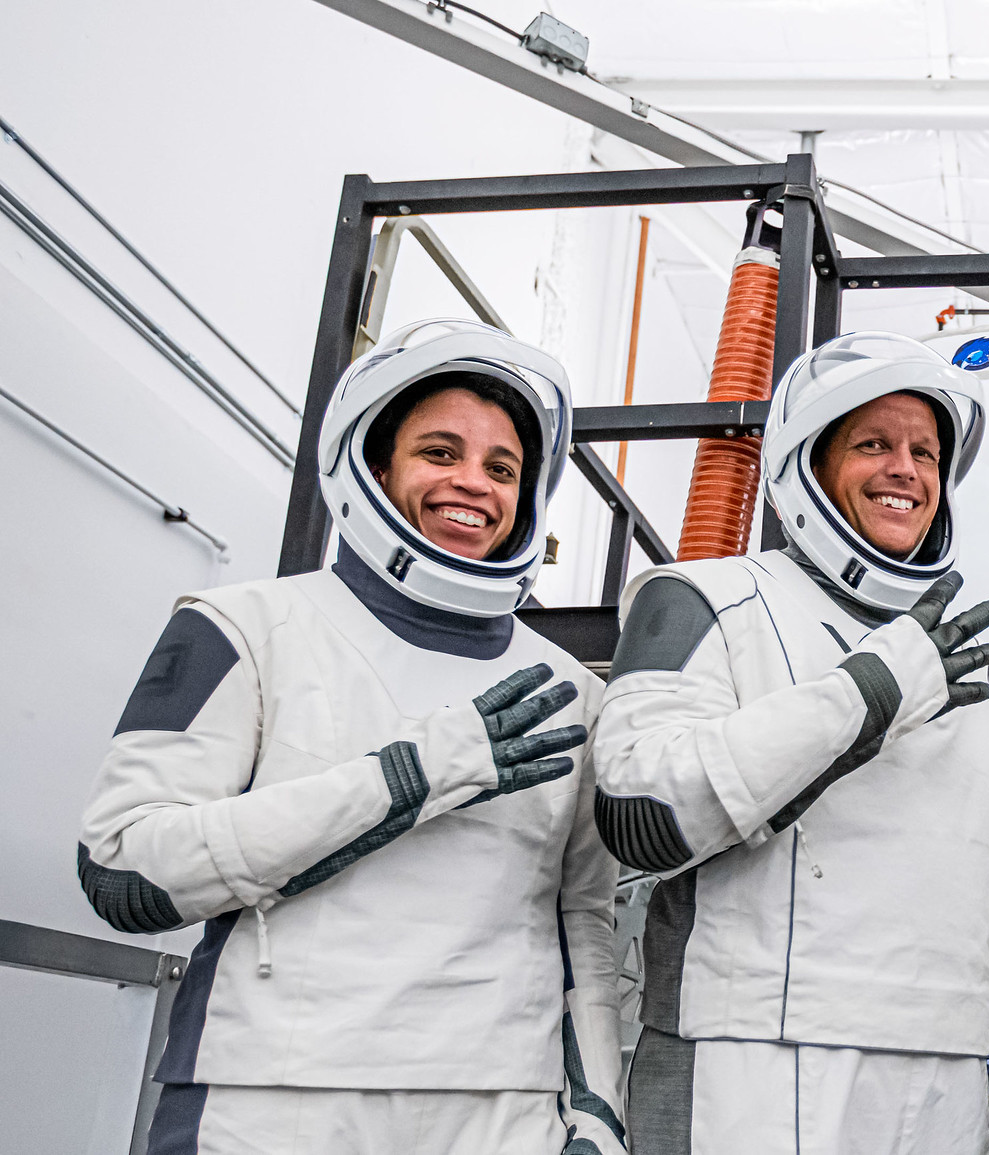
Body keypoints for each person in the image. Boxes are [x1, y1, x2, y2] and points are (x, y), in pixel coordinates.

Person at [77, 318, 625, 1155]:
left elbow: (580, 917)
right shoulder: (246, 626)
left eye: (502, 468)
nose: (473, 483)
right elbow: (124, 870)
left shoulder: (571, 691)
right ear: (375, 466)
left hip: (501, 1106)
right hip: (271, 1095)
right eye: (440, 453)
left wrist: (596, 1113)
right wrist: (410, 777)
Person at [590, 331, 989, 1155]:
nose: (906, 469)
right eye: (873, 444)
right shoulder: (705, 600)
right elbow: (640, 808)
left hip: (942, 1078)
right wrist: (864, 697)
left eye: (926, 453)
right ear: (805, 469)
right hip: (742, 1067)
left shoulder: (986, 685)